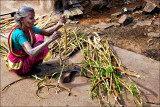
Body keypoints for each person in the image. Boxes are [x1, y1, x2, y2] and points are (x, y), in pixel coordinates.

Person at [7, 6, 66, 75]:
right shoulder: (19, 34)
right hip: (19, 66)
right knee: (40, 48)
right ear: (22, 19)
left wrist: (59, 24)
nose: (34, 20)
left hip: (26, 55)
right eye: (31, 18)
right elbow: (31, 53)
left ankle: (31, 64)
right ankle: (28, 69)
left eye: (33, 18)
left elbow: (47, 32)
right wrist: (50, 39)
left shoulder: (29, 27)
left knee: (41, 37)